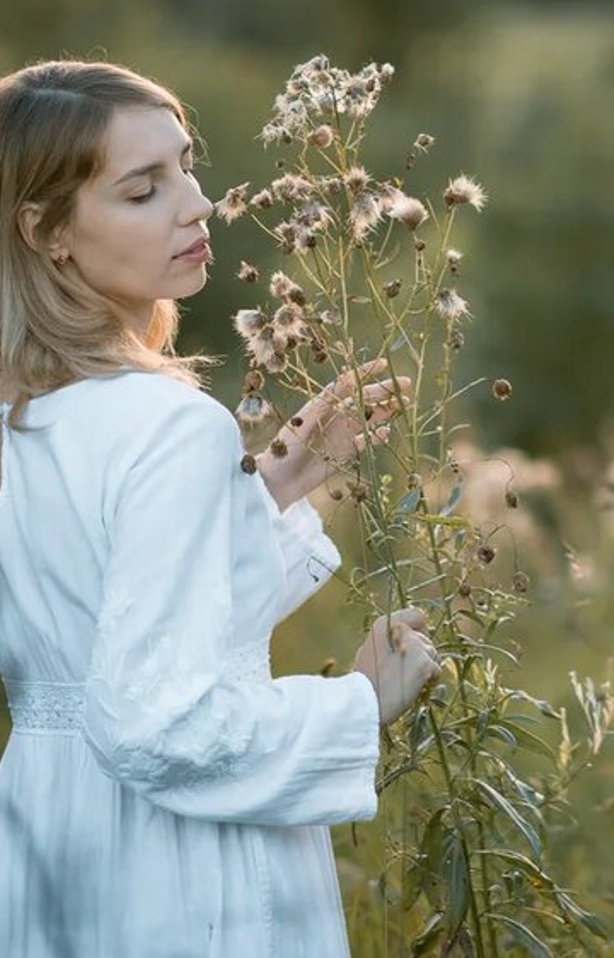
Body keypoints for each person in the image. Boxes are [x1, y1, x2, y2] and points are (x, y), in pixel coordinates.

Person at [0, 60, 441, 957]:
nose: (196, 204)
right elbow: (161, 722)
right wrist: (359, 702)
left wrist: (270, 483)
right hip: (177, 866)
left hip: (44, 833)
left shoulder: (25, 416)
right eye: (142, 190)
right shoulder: (169, 425)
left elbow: (100, 607)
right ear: (45, 231)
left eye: (187, 166)